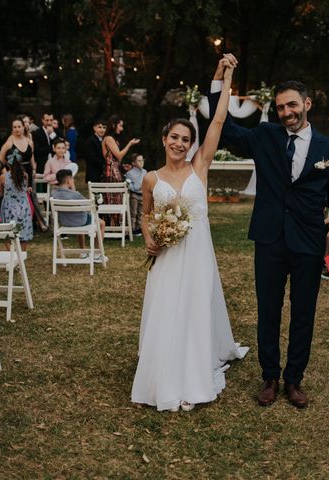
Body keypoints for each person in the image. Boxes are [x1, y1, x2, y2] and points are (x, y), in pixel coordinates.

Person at [209, 57, 329, 408]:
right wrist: (219, 82)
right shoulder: (266, 136)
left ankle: (294, 380)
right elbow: (223, 127)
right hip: (269, 238)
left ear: (307, 104)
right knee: (268, 310)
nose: (286, 112)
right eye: (280, 107)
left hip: (308, 242)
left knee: (304, 312)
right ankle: (270, 377)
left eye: (292, 104)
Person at [131, 55, 248, 412]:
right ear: (164, 139)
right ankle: (163, 376)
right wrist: (148, 237)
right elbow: (146, 215)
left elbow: (218, 119)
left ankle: (193, 374)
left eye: (186, 139)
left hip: (197, 255)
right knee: (166, 312)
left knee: (194, 312)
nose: (180, 143)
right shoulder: (151, 177)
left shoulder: (200, 166)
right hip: (166, 257)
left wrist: (222, 78)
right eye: (175, 137)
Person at [0, 116, 47, 232]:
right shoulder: (9, 143)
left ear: (23, 127)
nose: (17, 129)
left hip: (28, 172)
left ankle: (36, 223)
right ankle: (16, 225)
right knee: (18, 199)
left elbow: (32, 157)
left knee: (31, 197)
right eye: (14, 127)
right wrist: (5, 174)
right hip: (14, 173)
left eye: (19, 126)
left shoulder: (29, 141)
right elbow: (0, 160)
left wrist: (34, 169)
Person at [51, 169, 106, 256]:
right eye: (72, 179)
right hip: (80, 221)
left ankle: (83, 251)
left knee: (78, 217)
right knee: (101, 223)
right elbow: (90, 208)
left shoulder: (53, 194)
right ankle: (97, 253)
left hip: (65, 222)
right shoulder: (75, 195)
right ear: (69, 181)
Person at [103, 115, 140, 226]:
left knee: (116, 198)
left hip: (114, 170)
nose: (121, 128)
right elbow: (118, 156)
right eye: (120, 125)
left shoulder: (110, 138)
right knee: (114, 199)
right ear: (114, 125)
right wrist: (129, 144)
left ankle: (116, 226)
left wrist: (122, 167)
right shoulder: (109, 138)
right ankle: (114, 226)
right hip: (111, 173)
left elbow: (115, 159)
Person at [0, 146, 34, 250]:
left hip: (8, 208)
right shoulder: (25, 175)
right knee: (23, 234)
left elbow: (1, 192)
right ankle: (21, 259)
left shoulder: (3, 177)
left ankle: (11, 257)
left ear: (7, 162)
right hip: (23, 208)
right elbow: (23, 189)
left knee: (8, 234)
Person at [125, 153, 147, 235]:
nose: (141, 162)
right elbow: (129, 185)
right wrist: (136, 188)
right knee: (133, 212)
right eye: (139, 161)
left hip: (142, 195)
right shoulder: (129, 173)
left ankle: (139, 228)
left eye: (142, 160)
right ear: (134, 163)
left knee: (140, 213)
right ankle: (131, 229)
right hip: (134, 195)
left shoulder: (145, 171)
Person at [84, 118, 107, 183]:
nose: (102, 130)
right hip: (94, 175)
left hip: (102, 174)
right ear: (94, 128)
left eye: (104, 127)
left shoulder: (105, 140)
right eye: (99, 127)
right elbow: (92, 158)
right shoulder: (90, 141)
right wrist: (105, 165)